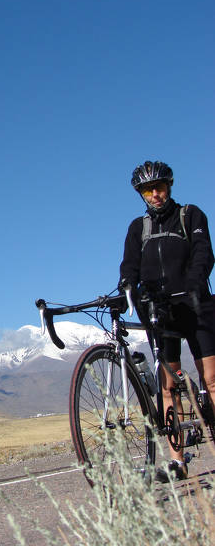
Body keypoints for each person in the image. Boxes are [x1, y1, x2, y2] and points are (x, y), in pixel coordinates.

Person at [119, 160, 215, 482]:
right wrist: (126, 289)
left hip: (195, 306)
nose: (155, 194)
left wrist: (194, 285)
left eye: (159, 187)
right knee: (168, 385)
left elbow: (204, 253)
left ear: (169, 187)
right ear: (142, 194)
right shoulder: (138, 228)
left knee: (211, 379)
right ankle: (177, 462)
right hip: (160, 312)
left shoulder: (191, 215)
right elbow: (129, 266)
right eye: (148, 190)